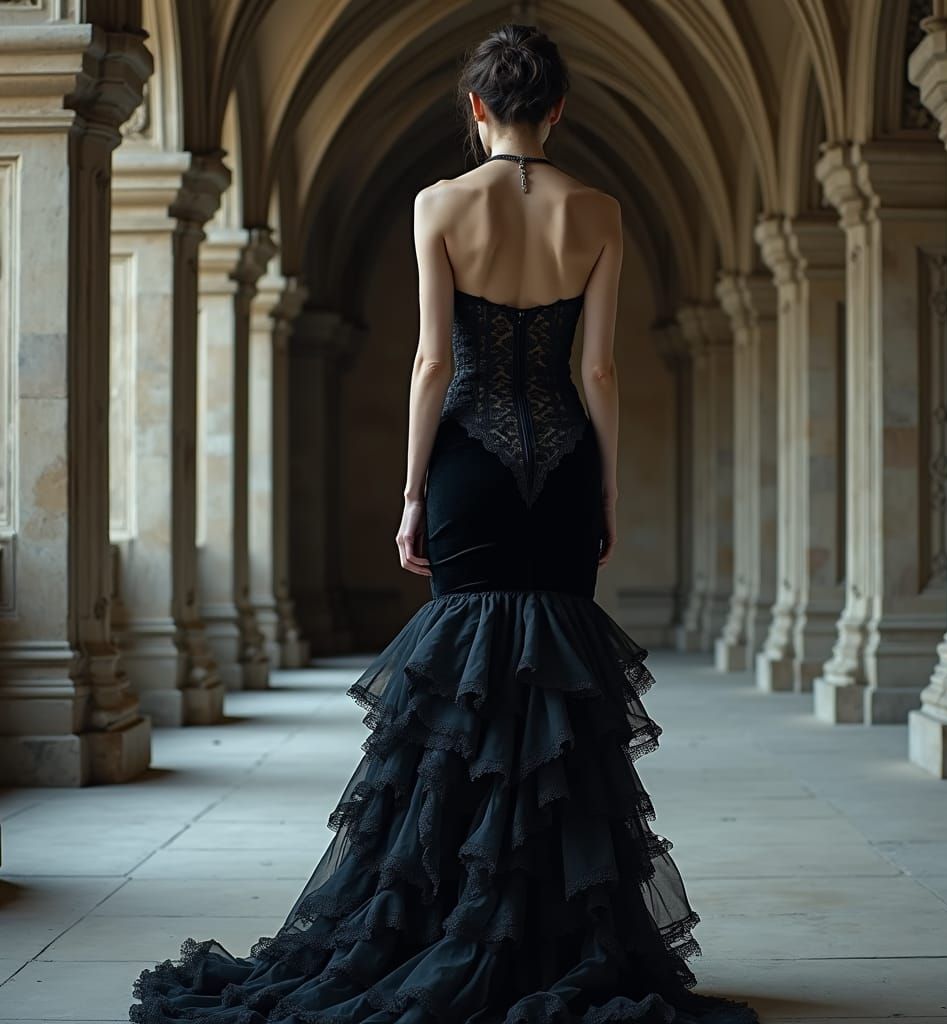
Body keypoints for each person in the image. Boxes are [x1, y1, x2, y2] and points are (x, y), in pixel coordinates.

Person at [129, 23, 759, 1024]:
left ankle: (443, 923)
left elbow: (433, 363)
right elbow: (597, 369)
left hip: (469, 466)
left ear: (476, 110)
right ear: (558, 110)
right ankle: (550, 928)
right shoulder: (598, 209)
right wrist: (601, 487)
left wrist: (415, 491)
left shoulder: (438, 203)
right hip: (560, 472)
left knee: (460, 700)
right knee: (553, 697)